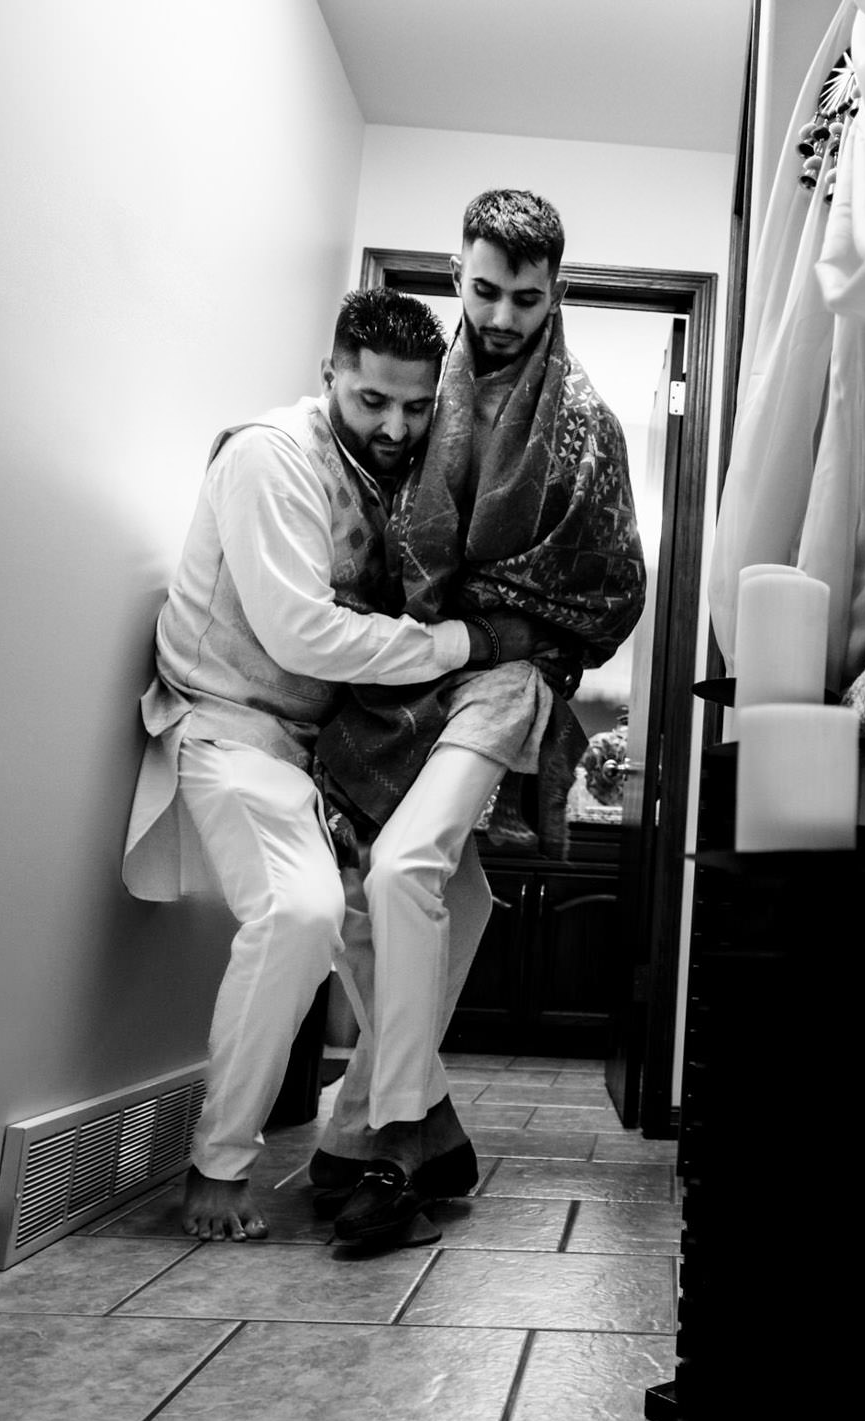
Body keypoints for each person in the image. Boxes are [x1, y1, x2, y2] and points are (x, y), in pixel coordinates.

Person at [120, 288, 548, 1241]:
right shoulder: (269, 458)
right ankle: (219, 1164)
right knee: (304, 911)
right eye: (370, 401)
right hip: (228, 730)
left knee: (454, 900)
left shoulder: (400, 475)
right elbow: (302, 632)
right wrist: (461, 645)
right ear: (330, 378)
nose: (394, 425)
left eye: (413, 404)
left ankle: (374, 1132)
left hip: (330, 753)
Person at [309, 189, 647, 1248]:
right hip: (403, 671)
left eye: (526, 298)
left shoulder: (587, 421)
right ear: (459, 276)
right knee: (413, 897)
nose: (501, 317)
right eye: (484, 290)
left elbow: (612, 583)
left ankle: (391, 1142)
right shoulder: (416, 390)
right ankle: (427, 1129)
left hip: (505, 673)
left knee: (407, 869)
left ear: (558, 294)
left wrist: (501, 636)